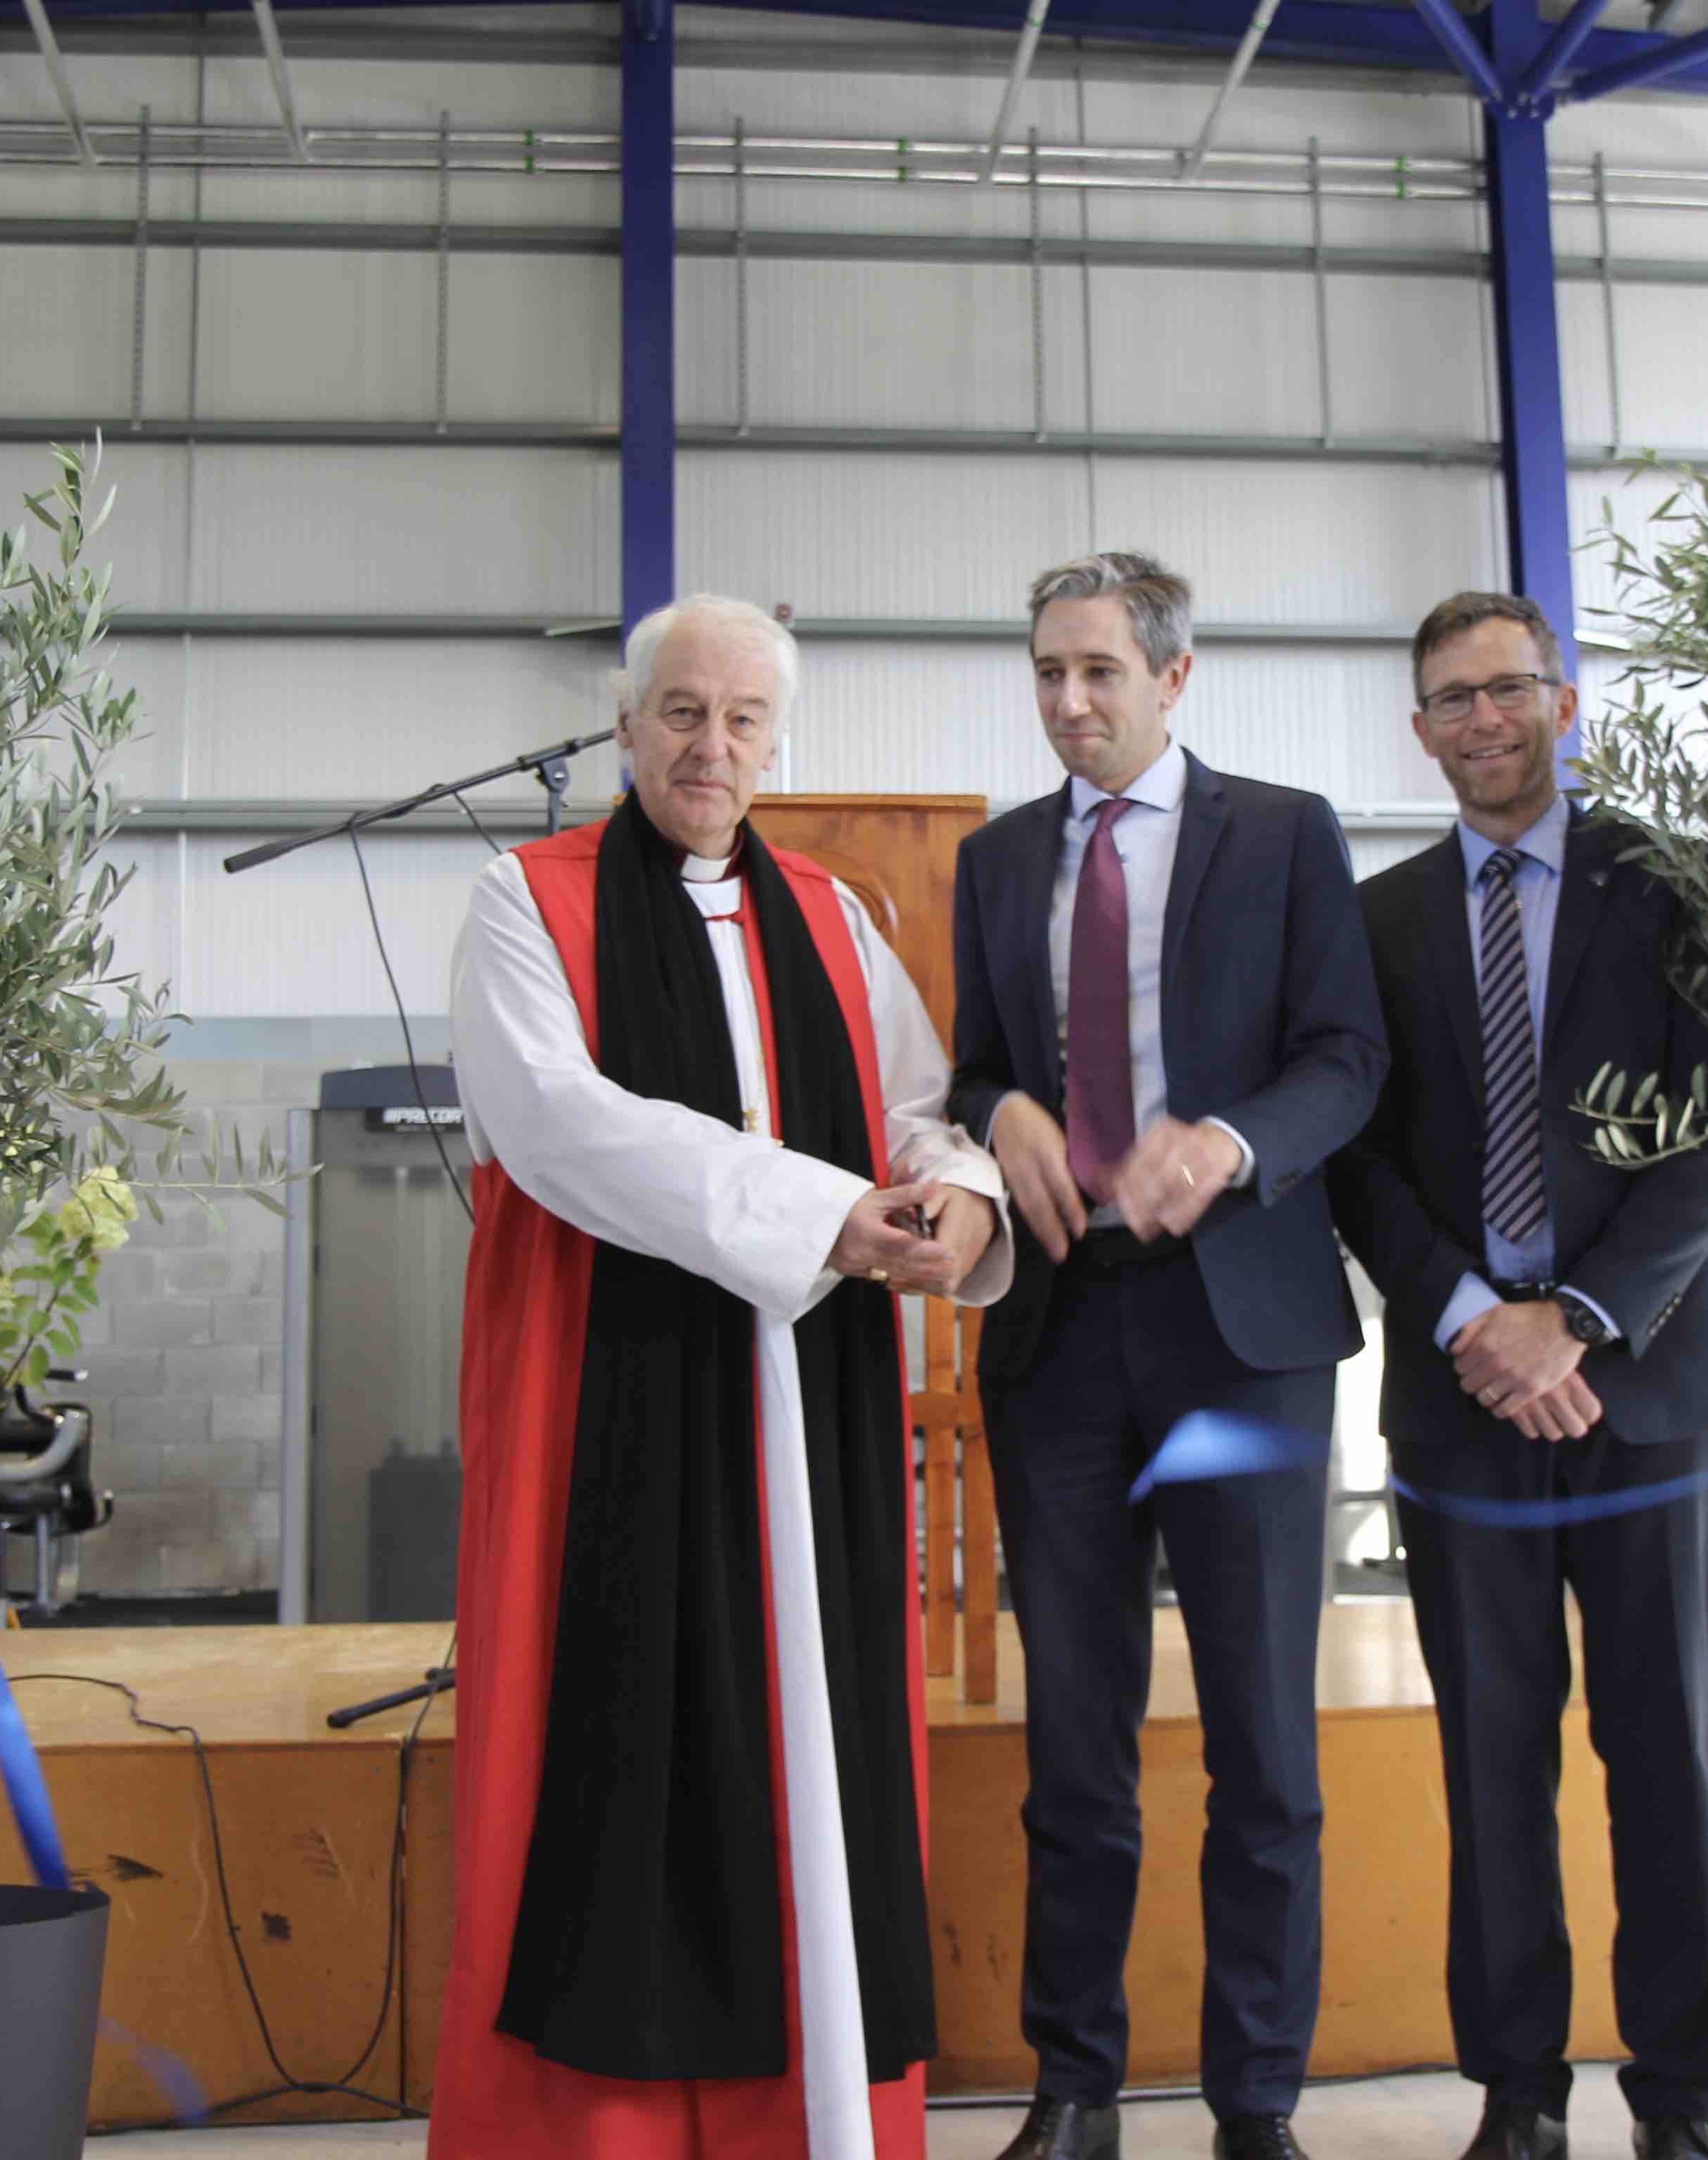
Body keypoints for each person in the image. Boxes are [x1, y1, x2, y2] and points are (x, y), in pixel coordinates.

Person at [435, 594, 1012, 2160]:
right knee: (614, 1752)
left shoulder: (827, 913)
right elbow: (558, 1125)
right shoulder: (522, 903)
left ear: (776, 741)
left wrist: (959, 1192)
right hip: (603, 1397)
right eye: (680, 711)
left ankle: (803, 2116)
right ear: (625, 730)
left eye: (743, 718)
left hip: (803, 1400)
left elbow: (915, 1103)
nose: (710, 743)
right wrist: (827, 1209)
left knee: (805, 1751)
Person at [945, 550, 1386, 2160]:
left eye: (1101, 673)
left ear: (1175, 678)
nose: (1070, 703)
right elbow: (981, 1063)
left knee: (1265, 1741)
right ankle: (1076, 2090)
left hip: (1244, 1337)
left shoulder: (1282, 836)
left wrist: (1236, 1141)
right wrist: (993, 1110)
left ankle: (1255, 2103)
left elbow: (1349, 1058)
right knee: (1077, 1741)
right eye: (1049, 672)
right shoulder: (996, 862)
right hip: (1063, 1333)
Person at [1327, 592, 1708, 2160]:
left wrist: (1570, 1316)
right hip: (1463, 1407)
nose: (1478, 719)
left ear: (1558, 706)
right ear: (1419, 726)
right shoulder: (1368, 923)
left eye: (1505, 688)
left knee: (1661, 1764)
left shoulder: (1669, 887)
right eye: (1447, 697)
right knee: (1488, 1770)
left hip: (1643, 1387)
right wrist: (1466, 1319)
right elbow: (1354, 1156)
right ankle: (1514, 2097)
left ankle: (1675, 2104)